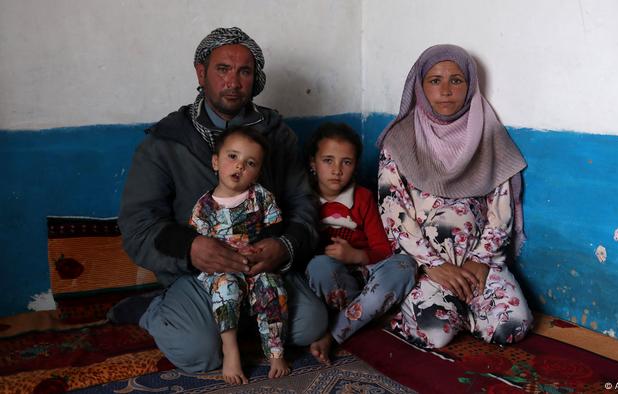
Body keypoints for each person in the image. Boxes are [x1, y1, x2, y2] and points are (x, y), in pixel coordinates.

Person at [111, 27, 327, 374]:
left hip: (263, 269)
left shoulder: (276, 134)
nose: (234, 81)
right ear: (201, 73)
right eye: (223, 69)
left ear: (255, 78)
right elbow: (138, 225)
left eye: (244, 71)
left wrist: (284, 246)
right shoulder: (168, 141)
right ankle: (153, 310)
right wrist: (192, 248)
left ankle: (242, 323)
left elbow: (303, 204)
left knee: (312, 326)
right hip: (199, 275)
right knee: (199, 355)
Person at [375, 44, 533, 349]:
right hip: (427, 265)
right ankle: (450, 311)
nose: (446, 90)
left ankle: (462, 311)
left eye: (456, 80)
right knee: (434, 334)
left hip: (480, 261)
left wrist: (481, 260)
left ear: (470, 84)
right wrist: (433, 264)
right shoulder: (399, 140)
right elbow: (394, 211)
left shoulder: (488, 134)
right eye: (435, 81)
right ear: (419, 87)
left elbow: (501, 209)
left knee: (513, 327)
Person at [304, 123, 417, 364]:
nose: (337, 170)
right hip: (337, 282)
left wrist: (355, 256)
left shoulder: (363, 197)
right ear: (313, 163)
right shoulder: (305, 199)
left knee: (405, 265)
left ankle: (336, 333)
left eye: (346, 162)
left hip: (368, 273)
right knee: (319, 267)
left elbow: (383, 250)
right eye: (328, 160)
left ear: (355, 166)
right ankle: (369, 314)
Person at [186, 127, 289, 383]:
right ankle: (230, 348)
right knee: (226, 288)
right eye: (232, 157)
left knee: (273, 286)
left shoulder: (261, 197)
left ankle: (275, 351)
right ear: (215, 161)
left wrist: (264, 246)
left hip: (254, 265)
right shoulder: (204, 207)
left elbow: (275, 229)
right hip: (221, 270)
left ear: (258, 171)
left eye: (250, 163)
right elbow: (198, 244)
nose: (240, 167)